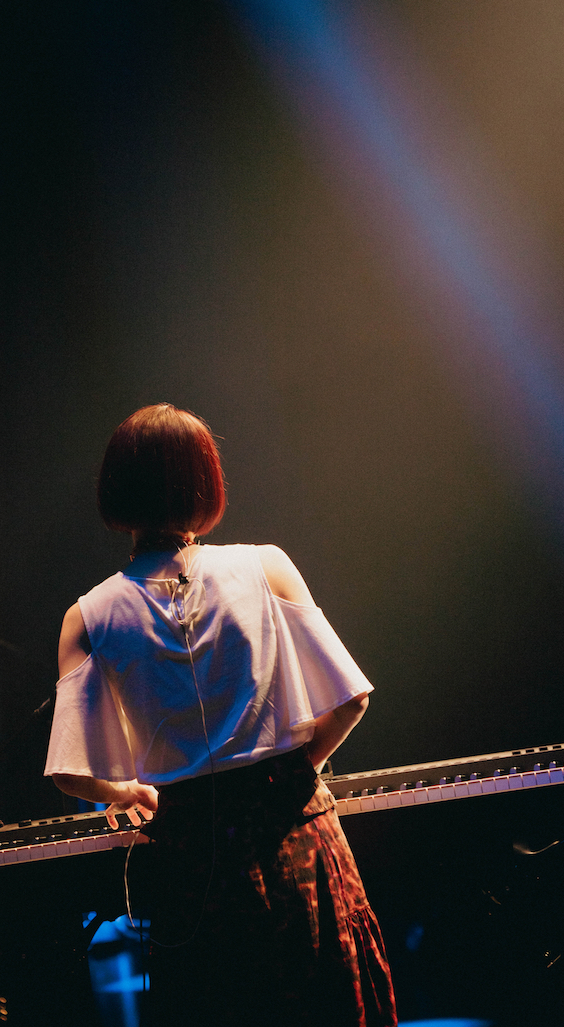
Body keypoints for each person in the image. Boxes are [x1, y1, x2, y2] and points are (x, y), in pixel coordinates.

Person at [45, 404, 397, 1027]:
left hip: (191, 869)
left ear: (116, 491)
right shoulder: (266, 566)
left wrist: (125, 791)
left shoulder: (89, 617)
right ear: (206, 483)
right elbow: (353, 699)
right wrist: (292, 771)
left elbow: (69, 774)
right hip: (297, 840)